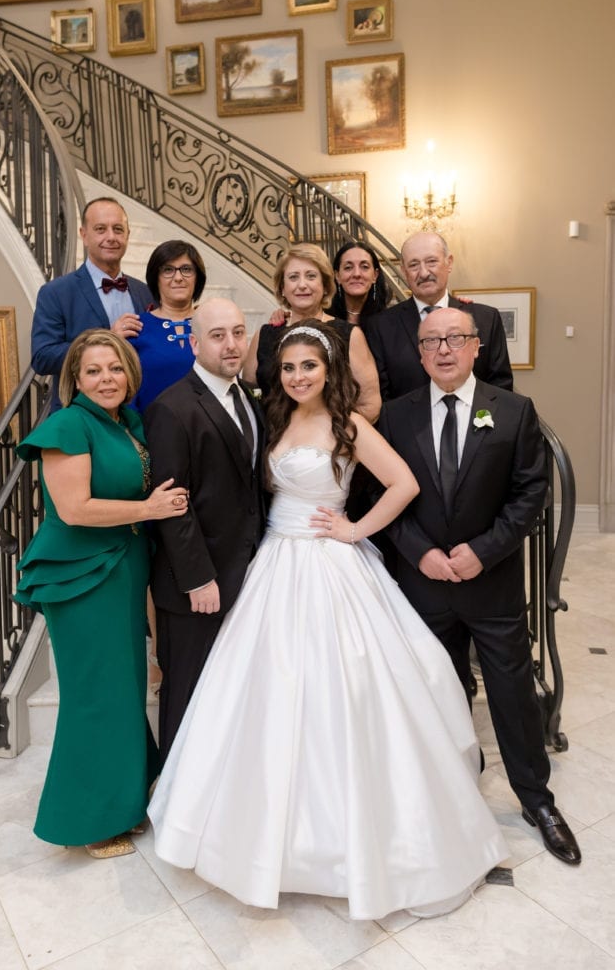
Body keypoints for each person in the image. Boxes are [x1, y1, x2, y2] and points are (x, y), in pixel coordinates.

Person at [147, 319, 509, 920]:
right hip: (272, 564)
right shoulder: (274, 420)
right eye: (287, 368)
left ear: (327, 370)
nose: (296, 377)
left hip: (330, 563)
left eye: (307, 367)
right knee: (262, 692)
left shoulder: (350, 425)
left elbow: (404, 484)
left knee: (348, 689)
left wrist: (353, 529)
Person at [378, 307, 581, 866]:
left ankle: (537, 801)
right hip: (423, 586)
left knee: (512, 694)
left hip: (490, 587)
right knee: (435, 691)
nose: (444, 349)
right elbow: (380, 501)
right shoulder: (394, 418)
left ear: (475, 348)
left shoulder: (514, 412)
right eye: (432, 341)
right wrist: (421, 554)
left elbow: (530, 494)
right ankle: (447, 795)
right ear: (420, 354)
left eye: (455, 339)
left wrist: (483, 552)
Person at [14, 329, 188, 858]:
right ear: (75, 379)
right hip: (81, 575)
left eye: (114, 368)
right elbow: (75, 509)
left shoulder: (125, 423)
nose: (106, 379)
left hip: (122, 568)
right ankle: (87, 820)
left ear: (129, 374)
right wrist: (148, 511)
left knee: (123, 689)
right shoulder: (66, 425)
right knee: (95, 696)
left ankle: (124, 801)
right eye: (93, 371)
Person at [143, 298, 267, 770]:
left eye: (238, 332)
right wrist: (197, 578)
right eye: (218, 335)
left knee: (228, 692)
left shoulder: (248, 399)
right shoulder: (172, 409)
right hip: (197, 583)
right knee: (187, 692)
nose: (231, 344)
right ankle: (175, 795)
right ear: (195, 343)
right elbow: (173, 506)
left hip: (247, 572)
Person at [31, 197, 152, 410]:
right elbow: (42, 357)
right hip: (81, 416)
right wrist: (107, 339)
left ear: (127, 235)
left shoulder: (145, 292)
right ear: (84, 235)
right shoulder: (55, 293)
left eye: (118, 229)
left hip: (139, 416)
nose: (111, 237)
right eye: (100, 229)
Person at [365, 230, 513, 399]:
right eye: (413, 265)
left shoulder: (486, 319)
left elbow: (501, 388)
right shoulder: (381, 327)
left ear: (449, 263)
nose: (424, 273)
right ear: (404, 271)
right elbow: (380, 396)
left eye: (431, 262)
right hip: (407, 424)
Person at [243, 242, 381, 423]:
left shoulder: (349, 335)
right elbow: (249, 395)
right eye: (293, 277)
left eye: (311, 276)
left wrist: (328, 435)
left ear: (324, 285)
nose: (302, 285)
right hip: (274, 443)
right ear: (282, 288)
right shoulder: (265, 335)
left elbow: (370, 405)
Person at [130, 240, 206, 413]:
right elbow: (127, 394)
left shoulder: (213, 326)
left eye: (186, 269)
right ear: (155, 278)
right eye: (168, 270)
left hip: (206, 433)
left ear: (197, 277)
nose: (178, 278)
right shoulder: (136, 328)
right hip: (149, 433)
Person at [327, 240, 392, 328]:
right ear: (337, 276)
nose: (356, 274)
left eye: (364, 267)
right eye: (348, 267)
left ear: (375, 275)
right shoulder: (325, 321)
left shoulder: (389, 322)